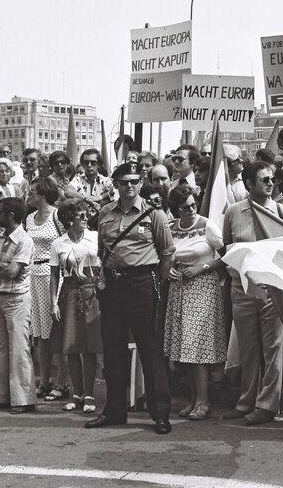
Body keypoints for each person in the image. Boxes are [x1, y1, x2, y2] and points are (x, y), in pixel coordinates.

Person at [86, 162, 174, 434]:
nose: (130, 186)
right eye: (124, 181)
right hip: (113, 284)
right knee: (113, 349)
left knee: (150, 350)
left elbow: (167, 253)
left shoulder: (153, 214)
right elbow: (103, 251)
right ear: (115, 183)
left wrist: (154, 283)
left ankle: (160, 413)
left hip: (142, 284)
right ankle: (114, 410)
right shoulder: (105, 213)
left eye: (135, 181)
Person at [221, 160, 283, 425]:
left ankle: (267, 405)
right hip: (241, 289)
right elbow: (227, 249)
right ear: (249, 183)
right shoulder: (233, 212)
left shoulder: (282, 212)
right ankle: (246, 402)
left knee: (272, 348)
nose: (269, 183)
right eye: (263, 179)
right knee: (248, 348)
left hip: (272, 289)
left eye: (272, 179)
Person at [164, 185, 226, 421]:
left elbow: (225, 256)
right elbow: (168, 256)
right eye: (185, 207)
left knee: (196, 347)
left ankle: (203, 401)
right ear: (176, 209)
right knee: (185, 348)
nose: (191, 209)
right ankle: (194, 398)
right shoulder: (171, 228)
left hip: (203, 288)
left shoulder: (207, 225)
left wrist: (203, 267)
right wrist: (169, 271)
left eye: (193, 204)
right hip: (180, 289)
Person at [0, 197, 36, 414]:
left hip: (18, 298)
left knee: (19, 350)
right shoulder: (3, 237)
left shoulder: (25, 240)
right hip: (2, 295)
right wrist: (1, 266)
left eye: (1, 212)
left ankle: (23, 399)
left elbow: (12, 272)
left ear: (11, 215)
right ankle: (2, 396)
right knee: (1, 349)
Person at [49, 199, 102, 414]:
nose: (86, 218)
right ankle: (77, 393)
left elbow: (104, 264)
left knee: (90, 346)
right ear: (69, 219)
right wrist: (53, 302)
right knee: (70, 346)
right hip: (69, 292)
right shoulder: (58, 244)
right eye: (81, 215)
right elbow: (54, 275)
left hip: (92, 291)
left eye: (87, 214)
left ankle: (89, 393)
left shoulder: (95, 238)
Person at [26, 178, 69, 402]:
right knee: (40, 333)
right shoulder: (29, 218)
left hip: (55, 275)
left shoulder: (57, 216)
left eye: (32, 192)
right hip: (34, 276)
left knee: (57, 331)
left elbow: (69, 241)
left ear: (43, 194)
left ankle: (62, 382)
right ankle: (44, 381)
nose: (29, 195)